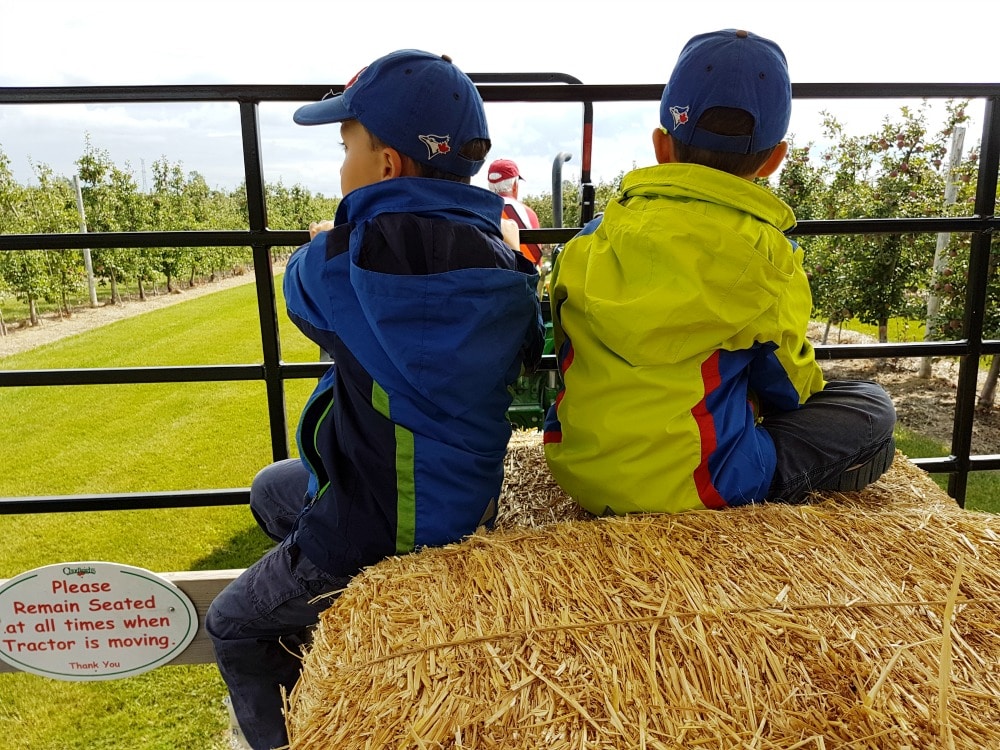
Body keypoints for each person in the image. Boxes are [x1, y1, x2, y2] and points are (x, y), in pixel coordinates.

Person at [206, 49, 543, 750]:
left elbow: (301, 296)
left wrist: (324, 241)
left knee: (231, 623)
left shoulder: (341, 260)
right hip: (461, 497)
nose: (340, 168)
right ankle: (330, 638)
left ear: (386, 166)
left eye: (345, 148)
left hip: (380, 525)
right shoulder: (507, 264)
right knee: (275, 490)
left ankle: (291, 736)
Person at [543, 29, 896, 516]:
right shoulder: (771, 258)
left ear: (661, 146)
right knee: (870, 406)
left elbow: (565, 349)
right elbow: (789, 391)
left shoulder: (588, 241)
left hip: (580, 471)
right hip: (698, 487)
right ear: (774, 159)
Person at [487, 158, 544, 266]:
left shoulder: (479, 209)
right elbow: (536, 260)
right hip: (520, 275)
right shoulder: (528, 213)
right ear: (515, 185)